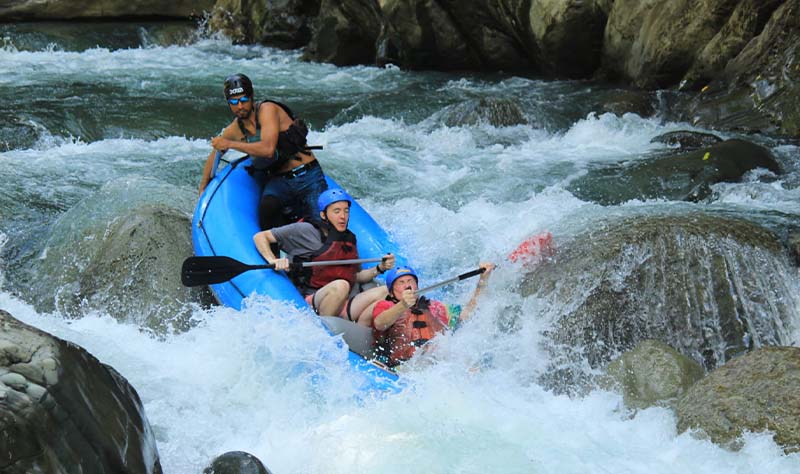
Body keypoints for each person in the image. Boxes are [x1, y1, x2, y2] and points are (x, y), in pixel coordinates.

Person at [200, 73, 328, 230]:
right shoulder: (235, 129)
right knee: (267, 209)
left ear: (252, 97)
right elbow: (215, 154)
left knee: (321, 227)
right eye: (234, 102)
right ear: (228, 103)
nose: (240, 106)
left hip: (308, 176)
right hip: (280, 182)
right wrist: (203, 189)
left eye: (244, 100)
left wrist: (230, 144)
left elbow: (268, 149)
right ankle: (273, 254)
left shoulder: (267, 110)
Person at [253, 188, 396, 326]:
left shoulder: (349, 239)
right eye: (337, 211)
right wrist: (273, 260)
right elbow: (261, 237)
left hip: (344, 303)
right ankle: (324, 331)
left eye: (346, 211)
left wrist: (380, 268)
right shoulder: (306, 230)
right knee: (341, 285)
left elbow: (355, 276)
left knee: (388, 290)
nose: (343, 216)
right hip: (312, 299)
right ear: (323, 215)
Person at [372, 262, 495, 368]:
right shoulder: (385, 306)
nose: (407, 285)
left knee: (467, 362)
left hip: (436, 367)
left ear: (417, 286)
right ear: (391, 293)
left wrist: (483, 280)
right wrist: (403, 305)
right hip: (402, 367)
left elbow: (467, 314)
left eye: (410, 281)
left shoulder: (435, 307)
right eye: (401, 282)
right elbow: (380, 324)